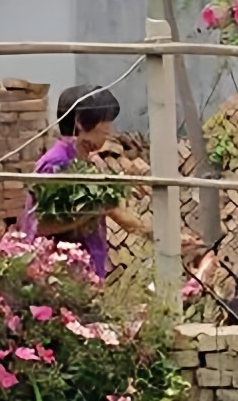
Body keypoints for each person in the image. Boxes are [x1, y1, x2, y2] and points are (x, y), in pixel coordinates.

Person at [22, 84, 149, 282]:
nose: (109, 128)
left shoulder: (83, 161)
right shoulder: (56, 164)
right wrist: (93, 210)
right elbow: (40, 225)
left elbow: (116, 213)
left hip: (85, 274)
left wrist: (163, 237)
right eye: (105, 120)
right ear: (81, 122)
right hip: (59, 278)